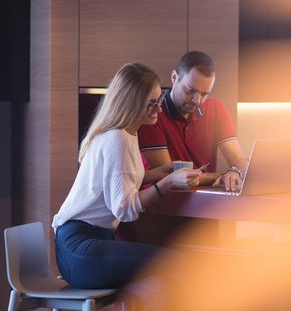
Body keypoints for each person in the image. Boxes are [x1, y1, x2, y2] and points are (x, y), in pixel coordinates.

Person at [52, 62, 201, 289]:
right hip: (81, 248)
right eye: (151, 104)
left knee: (167, 268)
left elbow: (119, 183)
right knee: (175, 262)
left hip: (81, 244)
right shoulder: (117, 139)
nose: (159, 110)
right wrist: (168, 181)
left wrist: (157, 174)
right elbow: (124, 208)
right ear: (131, 104)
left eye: (159, 101)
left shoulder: (126, 134)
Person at [138, 51, 248, 191]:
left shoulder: (216, 109)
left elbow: (238, 158)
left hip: (204, 201)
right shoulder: (152, 115)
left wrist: (236, 172)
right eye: (190, 90)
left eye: (204, 94)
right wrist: (222, 175)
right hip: (163, 204)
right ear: (174, 77)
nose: (197, 100)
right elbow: (172, 175)